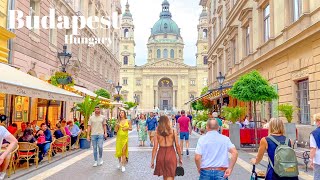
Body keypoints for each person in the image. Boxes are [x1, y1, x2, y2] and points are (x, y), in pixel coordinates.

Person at [151, 116, 182, 180]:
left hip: (161, 154)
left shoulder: (157, 132)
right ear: (168, 121)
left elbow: (155, 147)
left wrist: (152, 160)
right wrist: (180, 157)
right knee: (171, 175)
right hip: (171, 154)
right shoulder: (173, 131)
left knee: (165, 176)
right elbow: (177, 146)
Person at [310, 113, 320, 179]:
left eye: (315, 121)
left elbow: (313, 149)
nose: (315, 122)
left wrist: (311, 160)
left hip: (318, 159)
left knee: (317, 176)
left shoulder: (314, 133)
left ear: (318, 121)